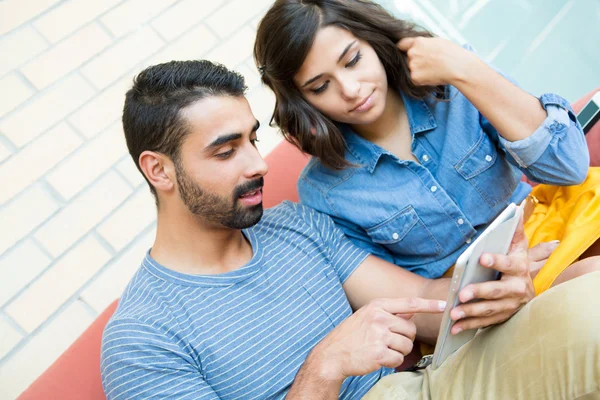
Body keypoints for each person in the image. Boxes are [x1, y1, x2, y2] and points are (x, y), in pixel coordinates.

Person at [100, 59, 600, 399]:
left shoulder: (294, 227)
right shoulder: (142, 338)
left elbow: (426, 304)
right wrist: (323, 369)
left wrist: (499, 286)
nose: (257, 164)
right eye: (227, 151)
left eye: (253, 140)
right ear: (158, 170)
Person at [253, 0, 600, 297]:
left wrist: (466, 70)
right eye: (320, 86)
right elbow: (399, 298)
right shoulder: (324, 192)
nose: (350, 89)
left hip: (550, 231)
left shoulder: (452, 81)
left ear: (374, 40)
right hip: (470, 297)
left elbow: (568, 168)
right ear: (302, 102)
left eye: (353, 60)